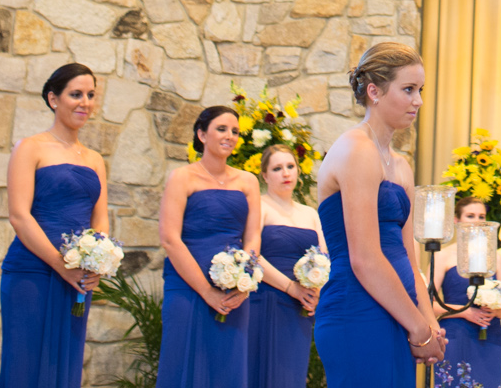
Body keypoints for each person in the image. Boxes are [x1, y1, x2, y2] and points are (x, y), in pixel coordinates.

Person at [315, 44, 446, 388]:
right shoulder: (356, 149)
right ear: (374, 91)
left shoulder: (401, 165)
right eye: (408, 89)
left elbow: (408, 258)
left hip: (399, 313)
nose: (418, 100)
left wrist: (430, 323)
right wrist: (418, 328)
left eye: (420, 90)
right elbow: (365, 259)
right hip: (357, 311)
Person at [1, 62, 111, 388]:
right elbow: (19, 215)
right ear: (53, 98)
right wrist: (61, 265)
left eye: (90, 95)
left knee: (65, 361)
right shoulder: (30, 147)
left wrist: (96, 260)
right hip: (32, 271)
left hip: (78, 276)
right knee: (24, 363)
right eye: (76, 94)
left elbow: (99, 216)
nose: (85, 102)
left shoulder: (94, 160)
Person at [155, 105, 261, 387]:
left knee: (227, 365)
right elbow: (169, 238)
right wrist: (206, 290)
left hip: (233, 290)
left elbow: (252, 237)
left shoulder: (248, 182)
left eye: (235, 131)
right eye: (222, 129)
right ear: (202, 134)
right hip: (187, 286)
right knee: (182, 361)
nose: (230, 136)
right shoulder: (182, 177)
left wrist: (244, 281)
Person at [249, 144, 326, 388]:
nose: (286, 173)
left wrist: (317, 293)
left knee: (291, 374)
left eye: (290, 166)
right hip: (266, 300)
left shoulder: (311, 213)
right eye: (277, 168)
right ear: (264, 176)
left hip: (300, 306)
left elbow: (325, 258)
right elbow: (253, 255)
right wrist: (291, 288)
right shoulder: (259, 206)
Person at [436, 195, 501, 388]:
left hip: (489, 336)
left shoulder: (495, 258)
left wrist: (494, 309)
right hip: (454, 335)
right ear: (457, 220)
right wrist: (466, 312)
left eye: (481, 216)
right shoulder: (443, 257)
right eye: (470, 216)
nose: (477, 221)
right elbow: (428, 305)